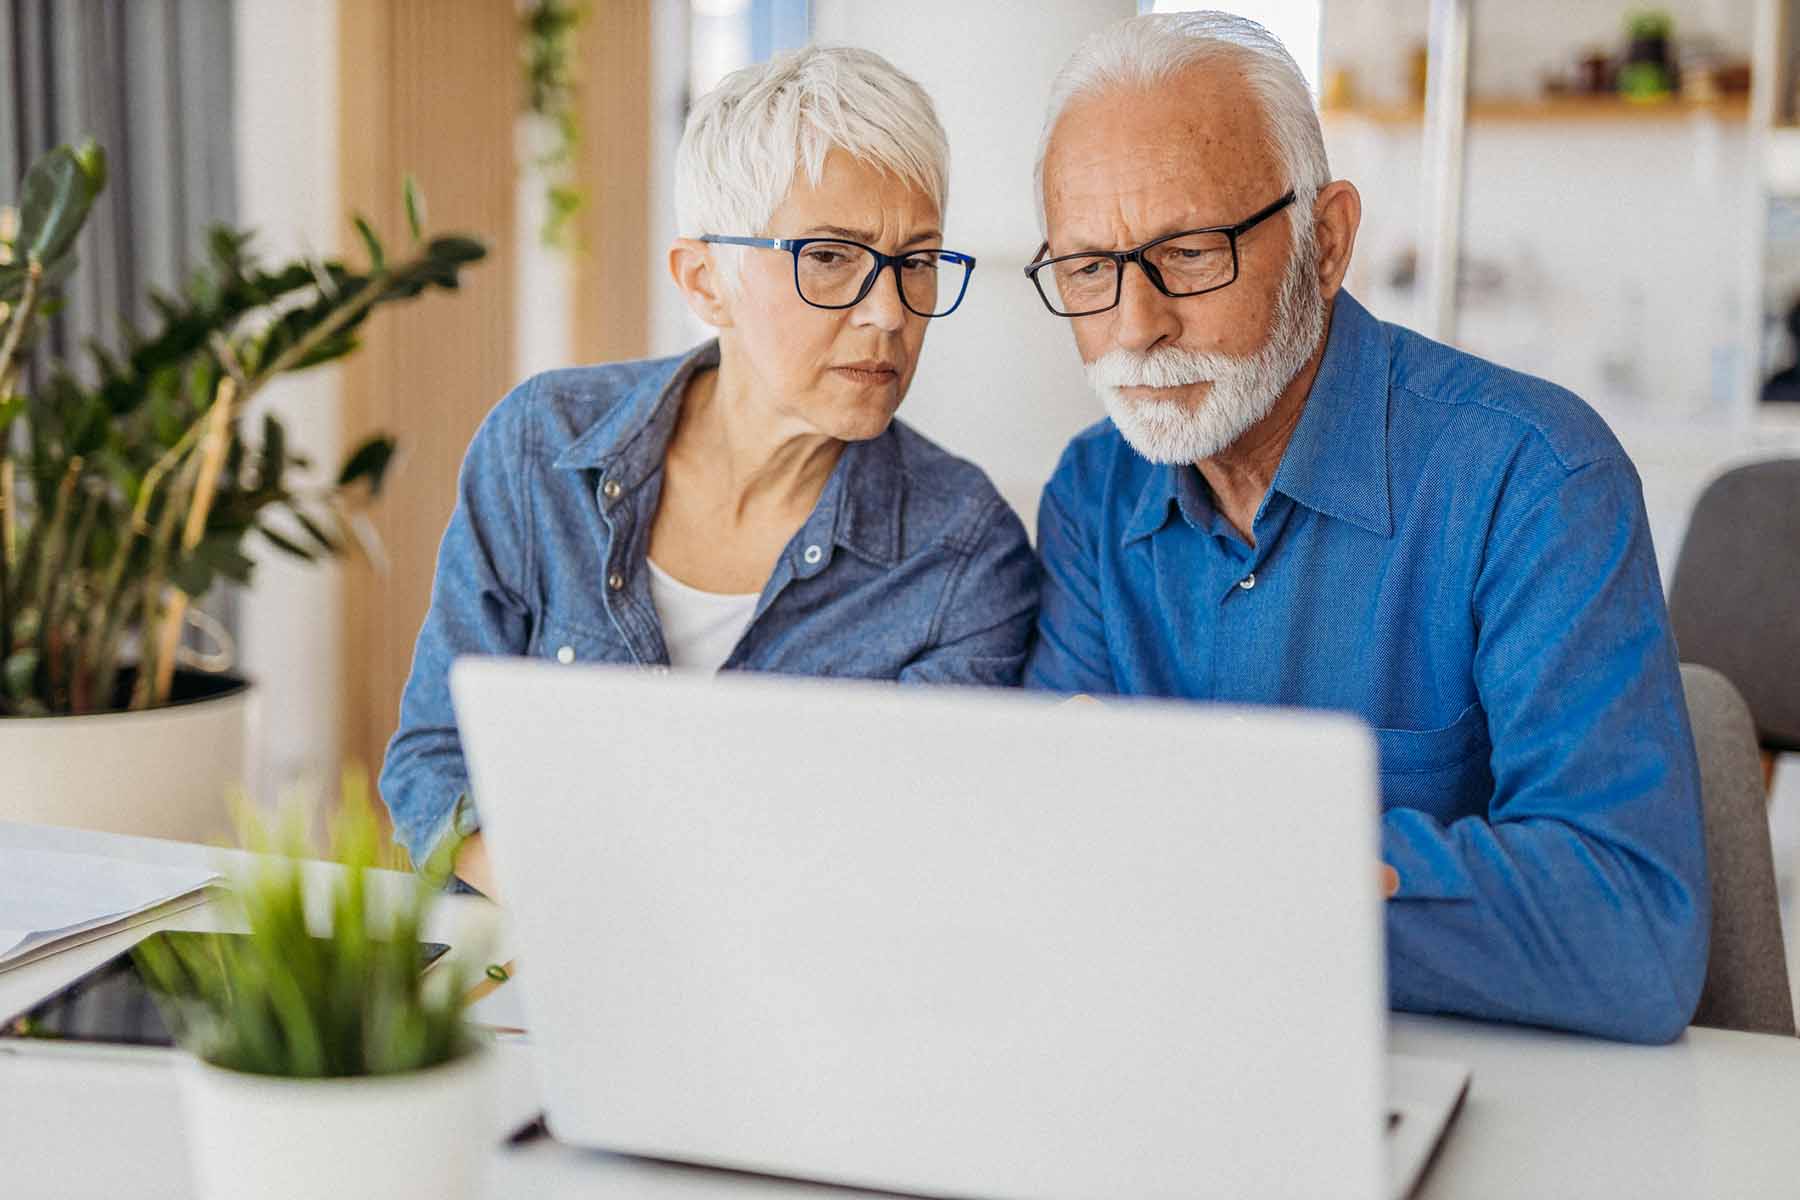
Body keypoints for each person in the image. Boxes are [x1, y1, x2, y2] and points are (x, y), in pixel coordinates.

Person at [1023, 12, 1708, 1043]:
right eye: (1087, 270)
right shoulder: (1092, 494)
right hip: (1163, 1065)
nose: (1134, 327)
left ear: (1327, 241)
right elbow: (1055, 862)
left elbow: (1633, 936)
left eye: (1190, 253)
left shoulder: (1533, 477)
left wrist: (1228, 867)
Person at [382, 46, 1038, 895]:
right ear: (706, 281)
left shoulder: (964, 552)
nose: (890, 313)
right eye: (831, 257)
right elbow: (433, 758)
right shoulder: (540, 446)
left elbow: (912, 862)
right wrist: (572, 903)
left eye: (916, 261)